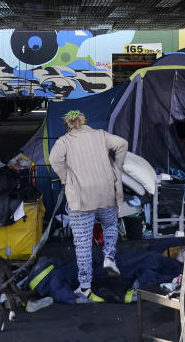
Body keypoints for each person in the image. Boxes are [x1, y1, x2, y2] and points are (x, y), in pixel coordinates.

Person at [49, 110, 128, 303]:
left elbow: (53, 159)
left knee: (83, 243)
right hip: (105, 193)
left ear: (68, 125)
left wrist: (65, 178)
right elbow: (122, 144)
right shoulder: (100, 135)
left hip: (81, 198)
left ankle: (85, 288)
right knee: (110, 225)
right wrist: (116, 167)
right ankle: (109, 256)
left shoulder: (64, 141)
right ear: (84, 123)